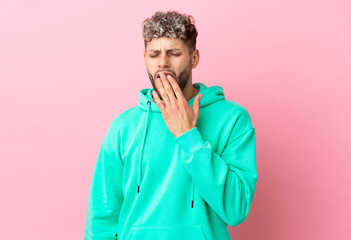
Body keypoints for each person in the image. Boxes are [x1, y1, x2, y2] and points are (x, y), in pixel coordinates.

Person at [84, 10, 257, 240]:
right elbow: (102, 218)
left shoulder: (233, 119)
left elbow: (236, 210)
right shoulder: (123, 127)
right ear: (145, 57)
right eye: (155, 54)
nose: (163, 63)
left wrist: (189, 136)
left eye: (174, 53)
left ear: (194, 57)